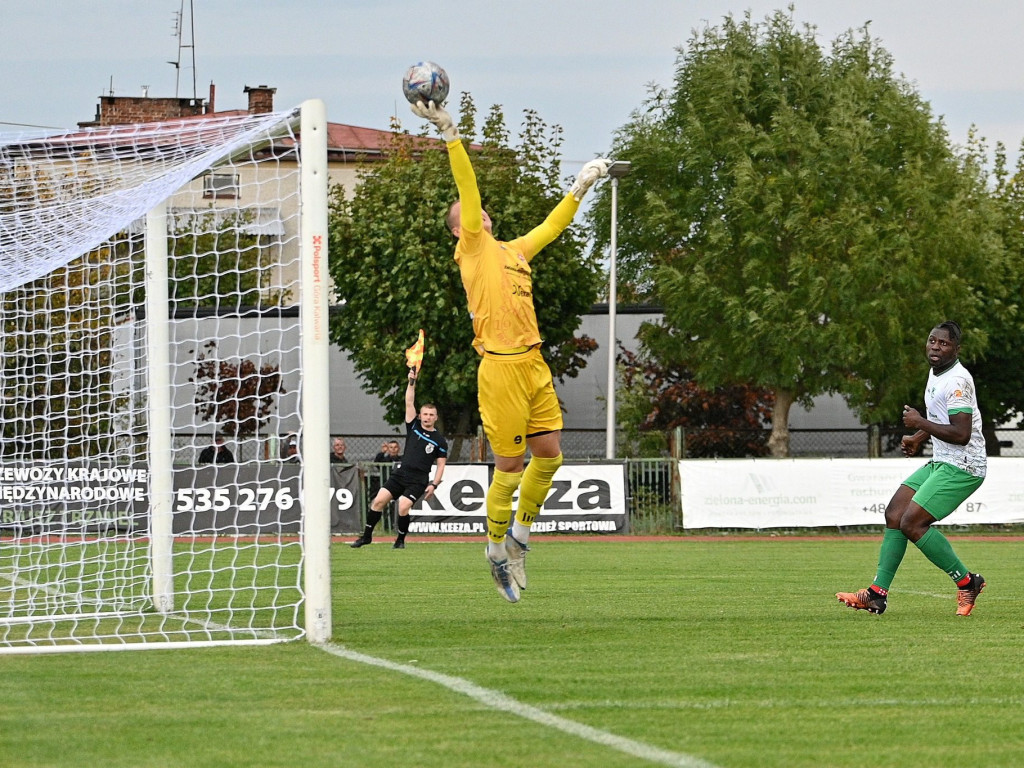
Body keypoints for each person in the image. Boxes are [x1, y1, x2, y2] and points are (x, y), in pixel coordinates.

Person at [411, 97, 608, 602]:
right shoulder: (472, 249)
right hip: (499, 370)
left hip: (534, 363)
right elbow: (468, 187)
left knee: (550, 457)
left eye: (479, 212)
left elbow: (552, 227)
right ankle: (495, 548)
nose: (478, 213)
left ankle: (519, 538)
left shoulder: (514, 252)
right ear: (460, 230)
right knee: (509, 467)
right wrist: (450, 135)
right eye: (468, 215)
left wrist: (580, 187)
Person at [837, 321, 987, 616]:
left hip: (964, 466)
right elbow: (941, 419)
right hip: (942, 461)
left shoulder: (957, 381)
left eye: (944, 343)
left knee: (912, 523)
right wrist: (919, 436)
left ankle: (967, 582)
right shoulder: (937, 372)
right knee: (895, 514)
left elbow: (961, 434)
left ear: (956, 349)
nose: (935, 347)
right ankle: (876, 595)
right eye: (932, 340)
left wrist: (919, 423)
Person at [350, 368, 447, 550]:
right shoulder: (414, 426)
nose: (427, 417)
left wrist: (434, 484)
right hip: (401, 474)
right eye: (425, 414)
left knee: (403, 506)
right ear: (420, 415)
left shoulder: (439, 440)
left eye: (431, 414)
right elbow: (409, 401)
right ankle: (366, 537)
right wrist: (411, 382)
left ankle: (400, 540)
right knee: (378, 501)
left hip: (418, 479)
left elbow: (441, 465)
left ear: (436, 417)